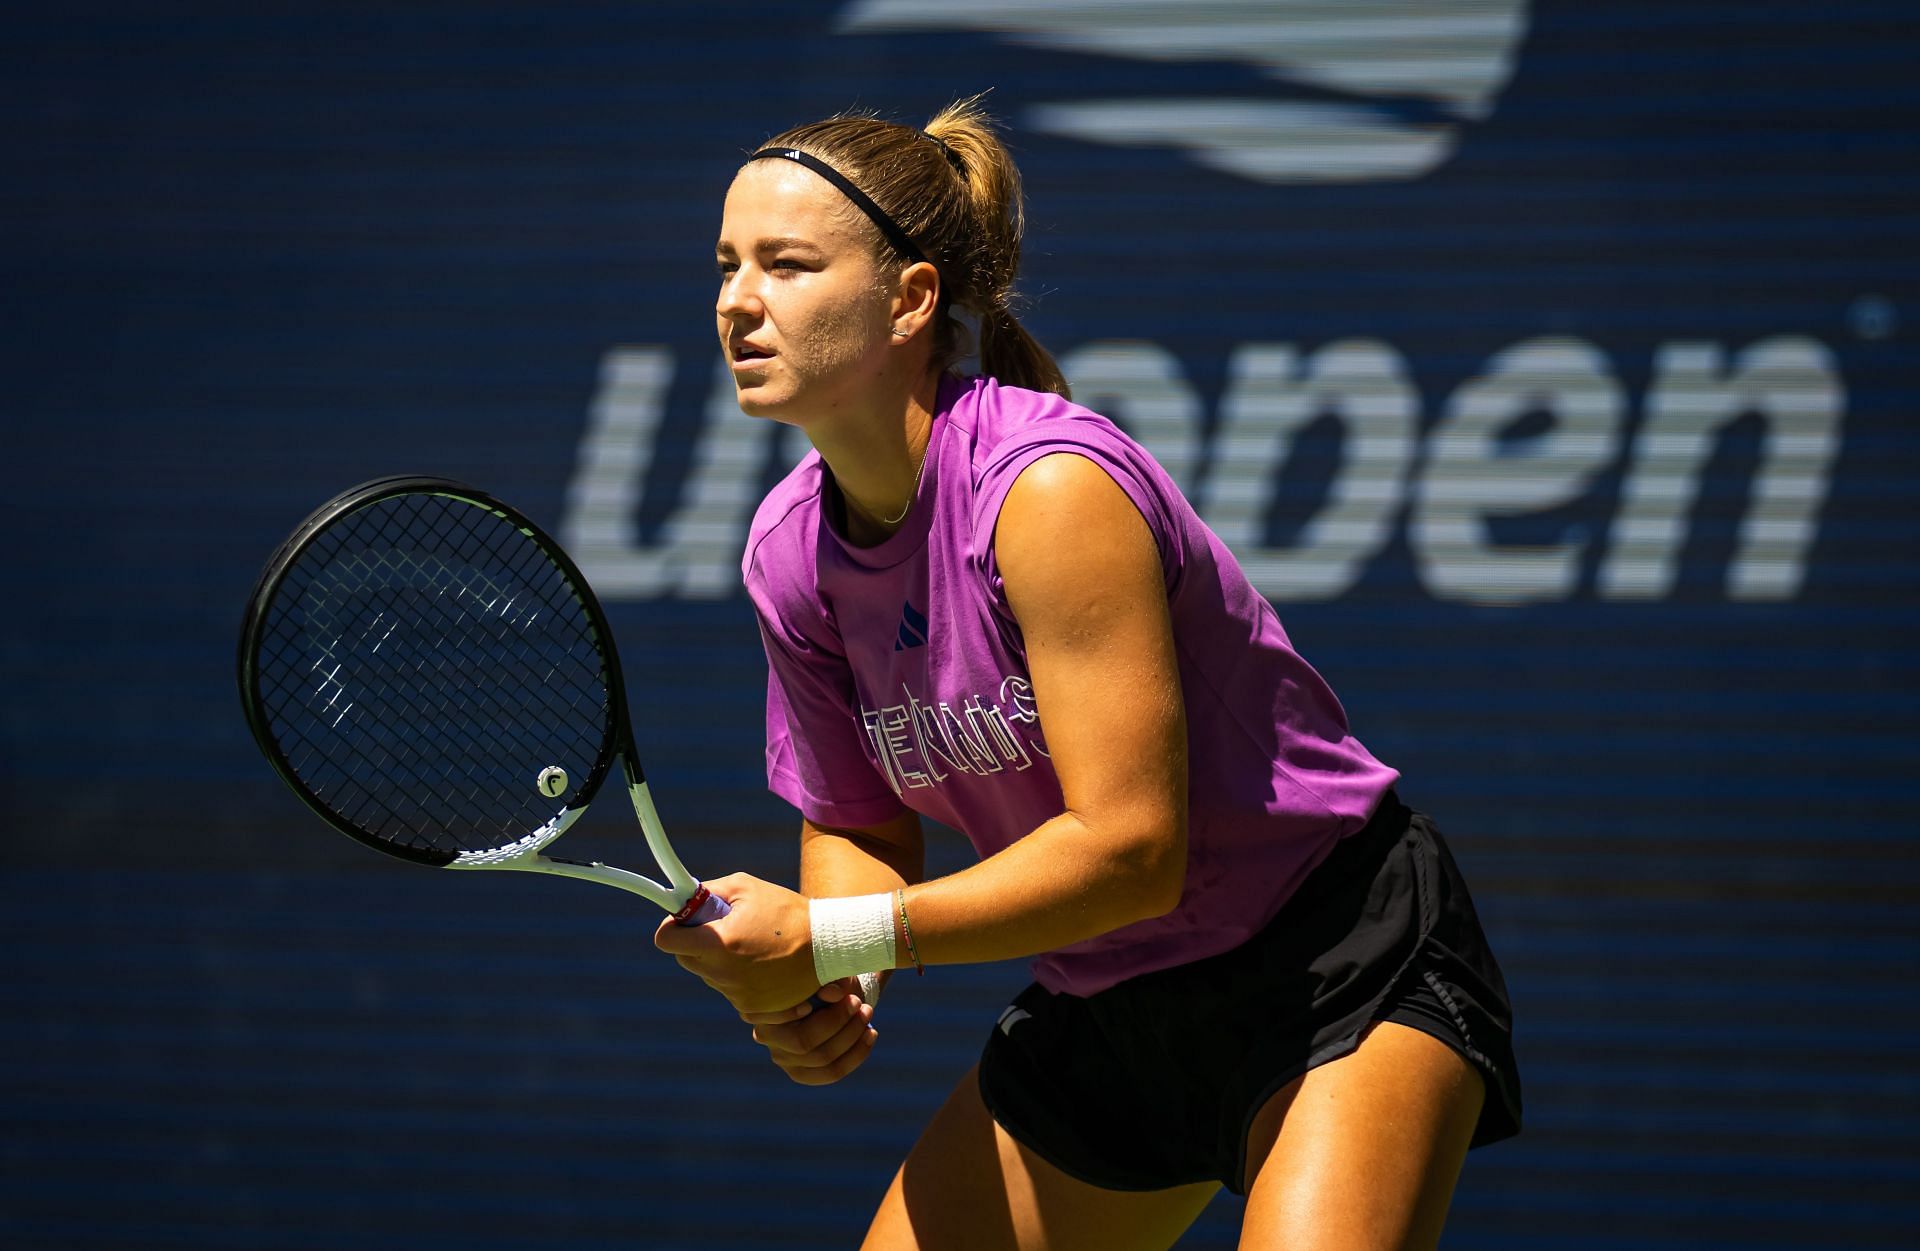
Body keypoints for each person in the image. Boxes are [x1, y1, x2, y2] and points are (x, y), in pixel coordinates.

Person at [655, 97, 1522, 1251]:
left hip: (1330, 964)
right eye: (726, 265)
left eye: (787, 264)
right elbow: (859, 822)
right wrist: (834, 978)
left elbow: (1129, 853)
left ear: (911, 300)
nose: (736, 301)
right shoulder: (790, 555)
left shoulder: (1050, 491)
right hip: (1107, 1006)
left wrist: (837, 938)